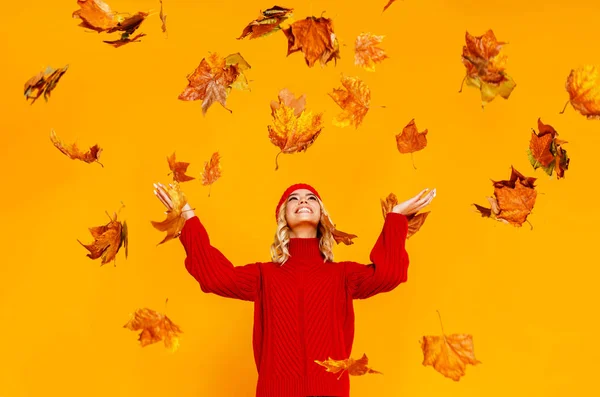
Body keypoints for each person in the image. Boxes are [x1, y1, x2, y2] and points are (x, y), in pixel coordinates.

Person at [153, 182, 436, 397]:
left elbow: (389, 274)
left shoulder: (343, 275)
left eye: (312, 198)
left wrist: (397, 217)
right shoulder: (264, 275)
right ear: (283, 218)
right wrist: (188, 217)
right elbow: (214, 276)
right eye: (294, 199)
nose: (304, 201)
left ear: (322, 215)